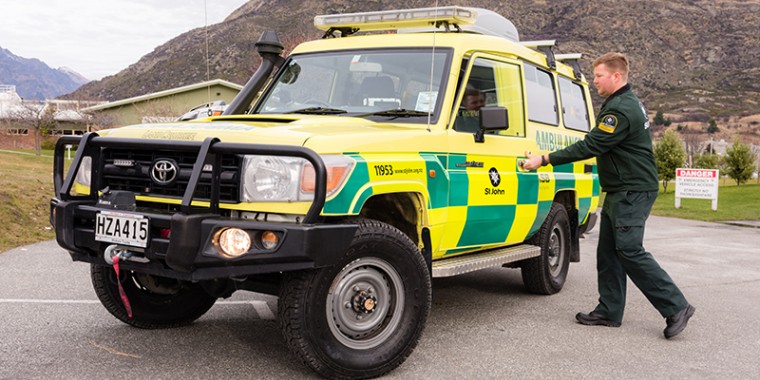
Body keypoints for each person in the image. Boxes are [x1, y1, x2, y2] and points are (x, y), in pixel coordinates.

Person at [522, 52, 695, 339]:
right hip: (621, 189)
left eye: (599, 75)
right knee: (609, 252)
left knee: (629, 250)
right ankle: (609, 310)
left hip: (632, 190)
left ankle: (676, 306)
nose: (595, 81)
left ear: (616, 76)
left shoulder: (620, 110)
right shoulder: (623, 102)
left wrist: (544, 159)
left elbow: (591, 145)